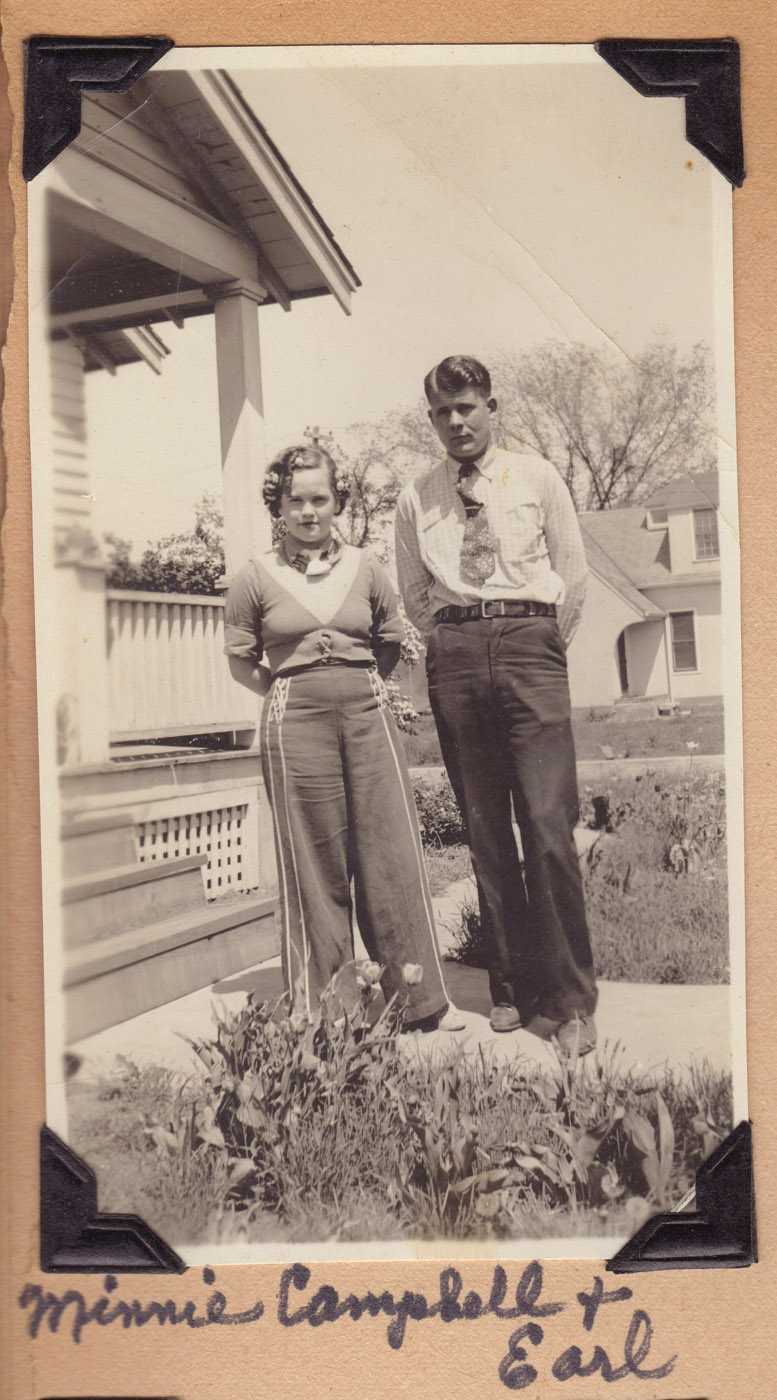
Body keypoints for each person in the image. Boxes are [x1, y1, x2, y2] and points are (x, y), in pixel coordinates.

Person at [394, 356, 597, 1055]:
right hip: (456, 654)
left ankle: (570, 1003)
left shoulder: (536, 476)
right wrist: (455, 640)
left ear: (491, 408)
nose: (456, 422)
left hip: (529, 643)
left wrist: (534, 640)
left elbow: (572, 575)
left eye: (467, 407)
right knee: (485, 830)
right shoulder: (416, 496)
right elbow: (413, 592)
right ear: (431, 419)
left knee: (546, 825)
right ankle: (511, 987)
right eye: (442, 412)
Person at [224, 443, 462, 1032]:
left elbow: (390, 638)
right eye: (295, 501)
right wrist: (293, 689)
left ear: (338, 502)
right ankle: (328, 1012)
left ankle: (419, 1003)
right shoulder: (254, 577)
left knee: (390, 851)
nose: (308, 512)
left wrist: (360, 685)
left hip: (367, 713)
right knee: (314, 862)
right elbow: (241, 661)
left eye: (319, 499)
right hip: (294, 722)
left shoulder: (366, 566)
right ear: (278, 506)